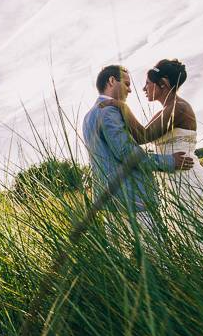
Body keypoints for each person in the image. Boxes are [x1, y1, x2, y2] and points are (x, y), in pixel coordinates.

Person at [97, 59, 203, 237]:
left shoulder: (179, 108)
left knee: (198, 232)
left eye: (147, 84)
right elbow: (140, 137)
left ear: (163, 84)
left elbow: (145, 135)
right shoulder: (164, 111)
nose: (144, 89)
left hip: (185, 176)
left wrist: (122, 107)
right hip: (171, 177)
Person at [82, 64, 193, 234]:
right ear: (112, 81)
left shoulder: (89, 115)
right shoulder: (109, 110)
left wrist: (124, 108)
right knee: (154, 258)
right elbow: (128, 152)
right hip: (133, 199)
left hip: (111, 202)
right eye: (127, 84)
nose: (131, 90)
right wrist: (170, 161)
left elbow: (141, 136)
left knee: (126, 258)